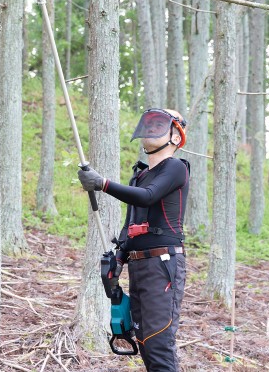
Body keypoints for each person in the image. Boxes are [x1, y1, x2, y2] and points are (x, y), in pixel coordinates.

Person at [78, 108, 190, 371]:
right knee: (144, 341)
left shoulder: (175, 168)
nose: (151, 128)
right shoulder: (140, 175)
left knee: (158, 342)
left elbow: (147, 197)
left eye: (160, 124)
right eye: (148, 124)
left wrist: (102, 183)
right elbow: (132, 224)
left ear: (176, 137)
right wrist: (118, 258)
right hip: (140, 267)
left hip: (163, 265)